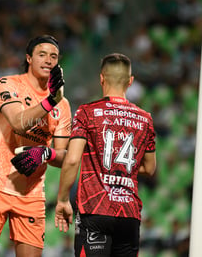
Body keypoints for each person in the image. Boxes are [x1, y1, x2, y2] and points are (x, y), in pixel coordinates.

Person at [0, 35, 72, 257]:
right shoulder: (8, 84)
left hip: (31, 193)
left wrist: (47, 152)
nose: (48, 60)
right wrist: (49, 101)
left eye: (53, 57)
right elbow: (18, 123)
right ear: (29, 58)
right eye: (42, 55)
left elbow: (65, 157)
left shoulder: (62, 105)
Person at [55, 53, 156, 257]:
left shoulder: (87, 112)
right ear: (130, 81)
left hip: (95, 210)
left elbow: (73, 159)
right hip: (129, 213)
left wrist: (63, 199)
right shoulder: (145, 119)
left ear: (101, 78)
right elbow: (150, 168)